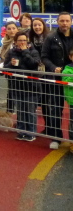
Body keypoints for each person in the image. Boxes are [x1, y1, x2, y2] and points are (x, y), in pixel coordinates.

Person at [41, 12, 73, 150]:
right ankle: (56, 138)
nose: (64, 23)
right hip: (56, 79)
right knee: (55, 109)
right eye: (62, 21)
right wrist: (53, 68)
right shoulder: (50, 37)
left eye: (67, 21)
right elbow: (44, 56)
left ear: (71, 22)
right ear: (57, 22)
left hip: (71, 79)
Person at [4, 31, 40, 141]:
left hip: (31, 86)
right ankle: (21, 131)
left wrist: (25, 52)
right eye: (20, 40)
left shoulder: (33, 51)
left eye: (24, 40)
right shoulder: (11, 52)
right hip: (17, 85)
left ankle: (31, 132)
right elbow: (5, 67)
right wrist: (11, 64)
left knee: (30, 110)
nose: (22, 42)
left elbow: (34, 64)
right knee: (20, 110)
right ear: (15, 42)